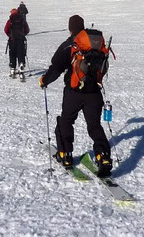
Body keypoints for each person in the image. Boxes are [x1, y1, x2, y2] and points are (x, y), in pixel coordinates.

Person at [39, 14, 112, 177]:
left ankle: (65, 154)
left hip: (74, 92)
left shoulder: (70, 44)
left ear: (70, 28)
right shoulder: (95, 44)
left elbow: (56, 67)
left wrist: (45, 80)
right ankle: (104, 157)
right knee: (94, 125)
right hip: (94, 92)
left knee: (66, 120)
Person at [4, 3, 29, 76]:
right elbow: (27, 29)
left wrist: (10, 35)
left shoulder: (10, 20)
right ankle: (21, 64)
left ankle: (12, 68)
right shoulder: (22, 20)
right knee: (21, 53)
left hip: (12, 40)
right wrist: (23, 34)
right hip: (21, 39)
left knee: (12, 53)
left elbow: (6, 30)